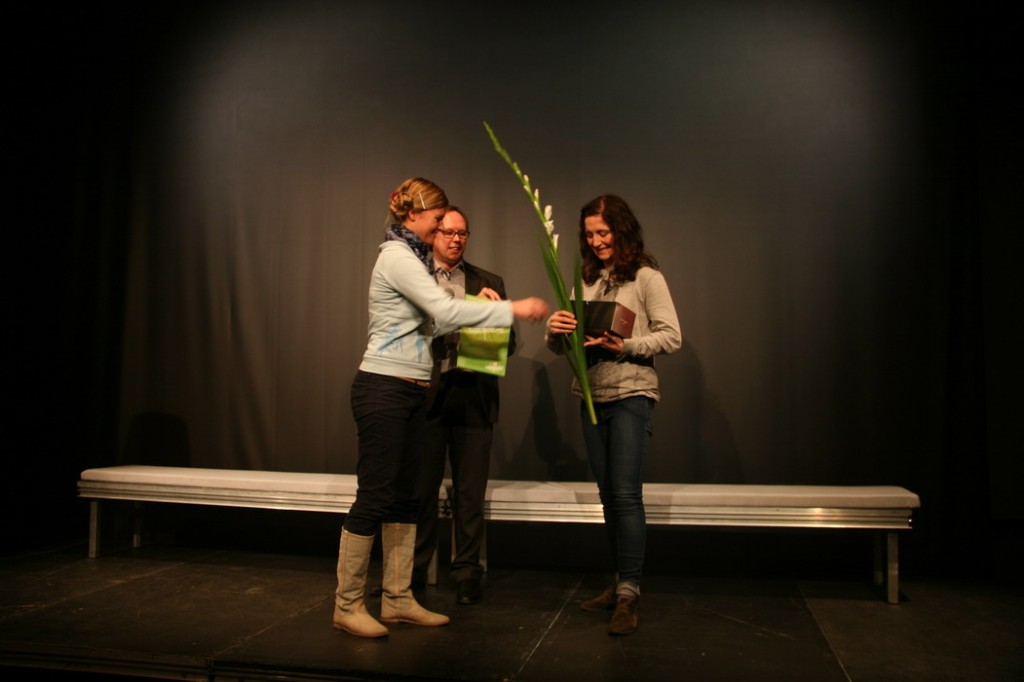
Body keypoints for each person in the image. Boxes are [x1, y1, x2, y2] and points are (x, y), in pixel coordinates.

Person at [334, 178, 549, 639]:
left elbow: (431, 325)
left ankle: (397, 600)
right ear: (414, 215)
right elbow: (443, 311)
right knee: (375, 496)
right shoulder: (396, 256)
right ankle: (347, 603)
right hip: (384, 386)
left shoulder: (410, 256)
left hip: (413, 388)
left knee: (409, 498)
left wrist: (483, 311)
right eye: (437, 222)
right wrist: (512, 308)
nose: (441, 232)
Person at [544, 194, 681, 636]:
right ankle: (617, 582)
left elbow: (671, 336)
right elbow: (564, 345)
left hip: (631, 393)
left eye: (604, 232)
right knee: (608, 497)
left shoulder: (645, 276)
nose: (597, 241)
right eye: (590, 235)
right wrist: (555, 332)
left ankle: (629, 592)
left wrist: (626, 346)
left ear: (621, 231)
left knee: (625, 495)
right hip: (591, 395)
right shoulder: (582, 280)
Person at [412, 207, 513, 606]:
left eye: (463, 233)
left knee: (470, 493)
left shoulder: (489, 281)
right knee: (421, 491)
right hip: (427, 394)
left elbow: (511, 344)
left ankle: (467, 572)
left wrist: (495, 316)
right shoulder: (416, 278)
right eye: (448, 232)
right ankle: (415, 571)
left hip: (473, 394)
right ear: (434, 234)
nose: (455, 240)